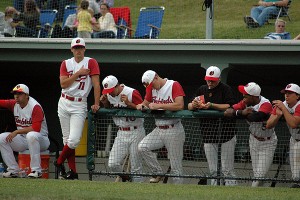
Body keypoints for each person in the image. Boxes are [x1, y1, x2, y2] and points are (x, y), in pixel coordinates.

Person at [54, 37, 100, 180]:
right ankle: (73, 173)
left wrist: (96, 102)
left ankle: (58, 162)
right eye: (76, 48)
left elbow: (96, 85)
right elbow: (63, 84)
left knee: (74, 140)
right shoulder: (66, 63)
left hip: (80, 103)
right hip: (64, 101)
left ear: (84, 49)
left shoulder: (91, 62)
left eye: (81, 48)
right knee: (67, 140)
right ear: (72, 49)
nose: (78, 50)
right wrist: (78, 73)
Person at [187, 66, 237, 186]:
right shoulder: (202, 89)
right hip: (208, 133)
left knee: (227, 169)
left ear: (219, 79)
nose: (209, 82)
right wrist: (194, 104)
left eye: (212, 80)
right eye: (208, 79)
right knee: (213, 169)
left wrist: (212, 105)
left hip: (226, 133)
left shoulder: (225, 89)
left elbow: (230, 106)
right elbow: (189, 106)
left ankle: (233, 191)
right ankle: (215, 192)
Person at [137, 70, 186, 184]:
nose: (151, 87)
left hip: (174, 129)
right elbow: (145, 103)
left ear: (156, 77)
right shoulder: (151, 88)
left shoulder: (173, 84)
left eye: (152, 84)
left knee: (175, 166)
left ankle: (179, 192)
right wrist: (142, 106)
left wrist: (159, 105)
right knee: (142, 147)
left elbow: (180, 105)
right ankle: (157, 172)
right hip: (159, 129)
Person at [224, 82, 277, 187]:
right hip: (253, 140)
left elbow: (255, 117)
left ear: (253, 97)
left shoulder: (265, 103)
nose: (243, 97)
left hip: (267, 142)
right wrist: (241, 113)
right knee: (257, 174)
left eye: (246, 95)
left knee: (259, 175)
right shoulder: (245, 103)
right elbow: (227, 111)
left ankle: (252, 192)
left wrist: (244, 113)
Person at [100, 75, 145, 182]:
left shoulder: (132, 92)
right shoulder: (108, 95)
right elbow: (109, 108)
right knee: (112, 163)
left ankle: (138, 191)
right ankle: (127, 177)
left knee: (136, 166)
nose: (109, 93)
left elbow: (143, 109)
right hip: (121, 132)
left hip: (136, 130)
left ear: (117, 86)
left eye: (111, 90)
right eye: (107, 90)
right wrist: (105, 103)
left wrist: (129, 104)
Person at [0, 84, 50, 178]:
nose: (16, 96)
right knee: (2, 138)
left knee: (31, 135)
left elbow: (36, 128)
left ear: (27, 95)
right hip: (24, 140)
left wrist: (16, 132)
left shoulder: (35, 106)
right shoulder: (14, 104)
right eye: (15, 93)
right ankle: (13, 170)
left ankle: (36, 170)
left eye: (19, 93)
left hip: (41, 140)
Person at [266, 83, 300, 188]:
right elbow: (268, 125)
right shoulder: (283, 104)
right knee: (295, 172)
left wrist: (283, 110)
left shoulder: (298, 106)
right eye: (285, 93)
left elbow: (294, 124)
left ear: (298, 96)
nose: (286, 95)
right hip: (295, 139)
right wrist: (278, 115)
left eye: (290, 93)